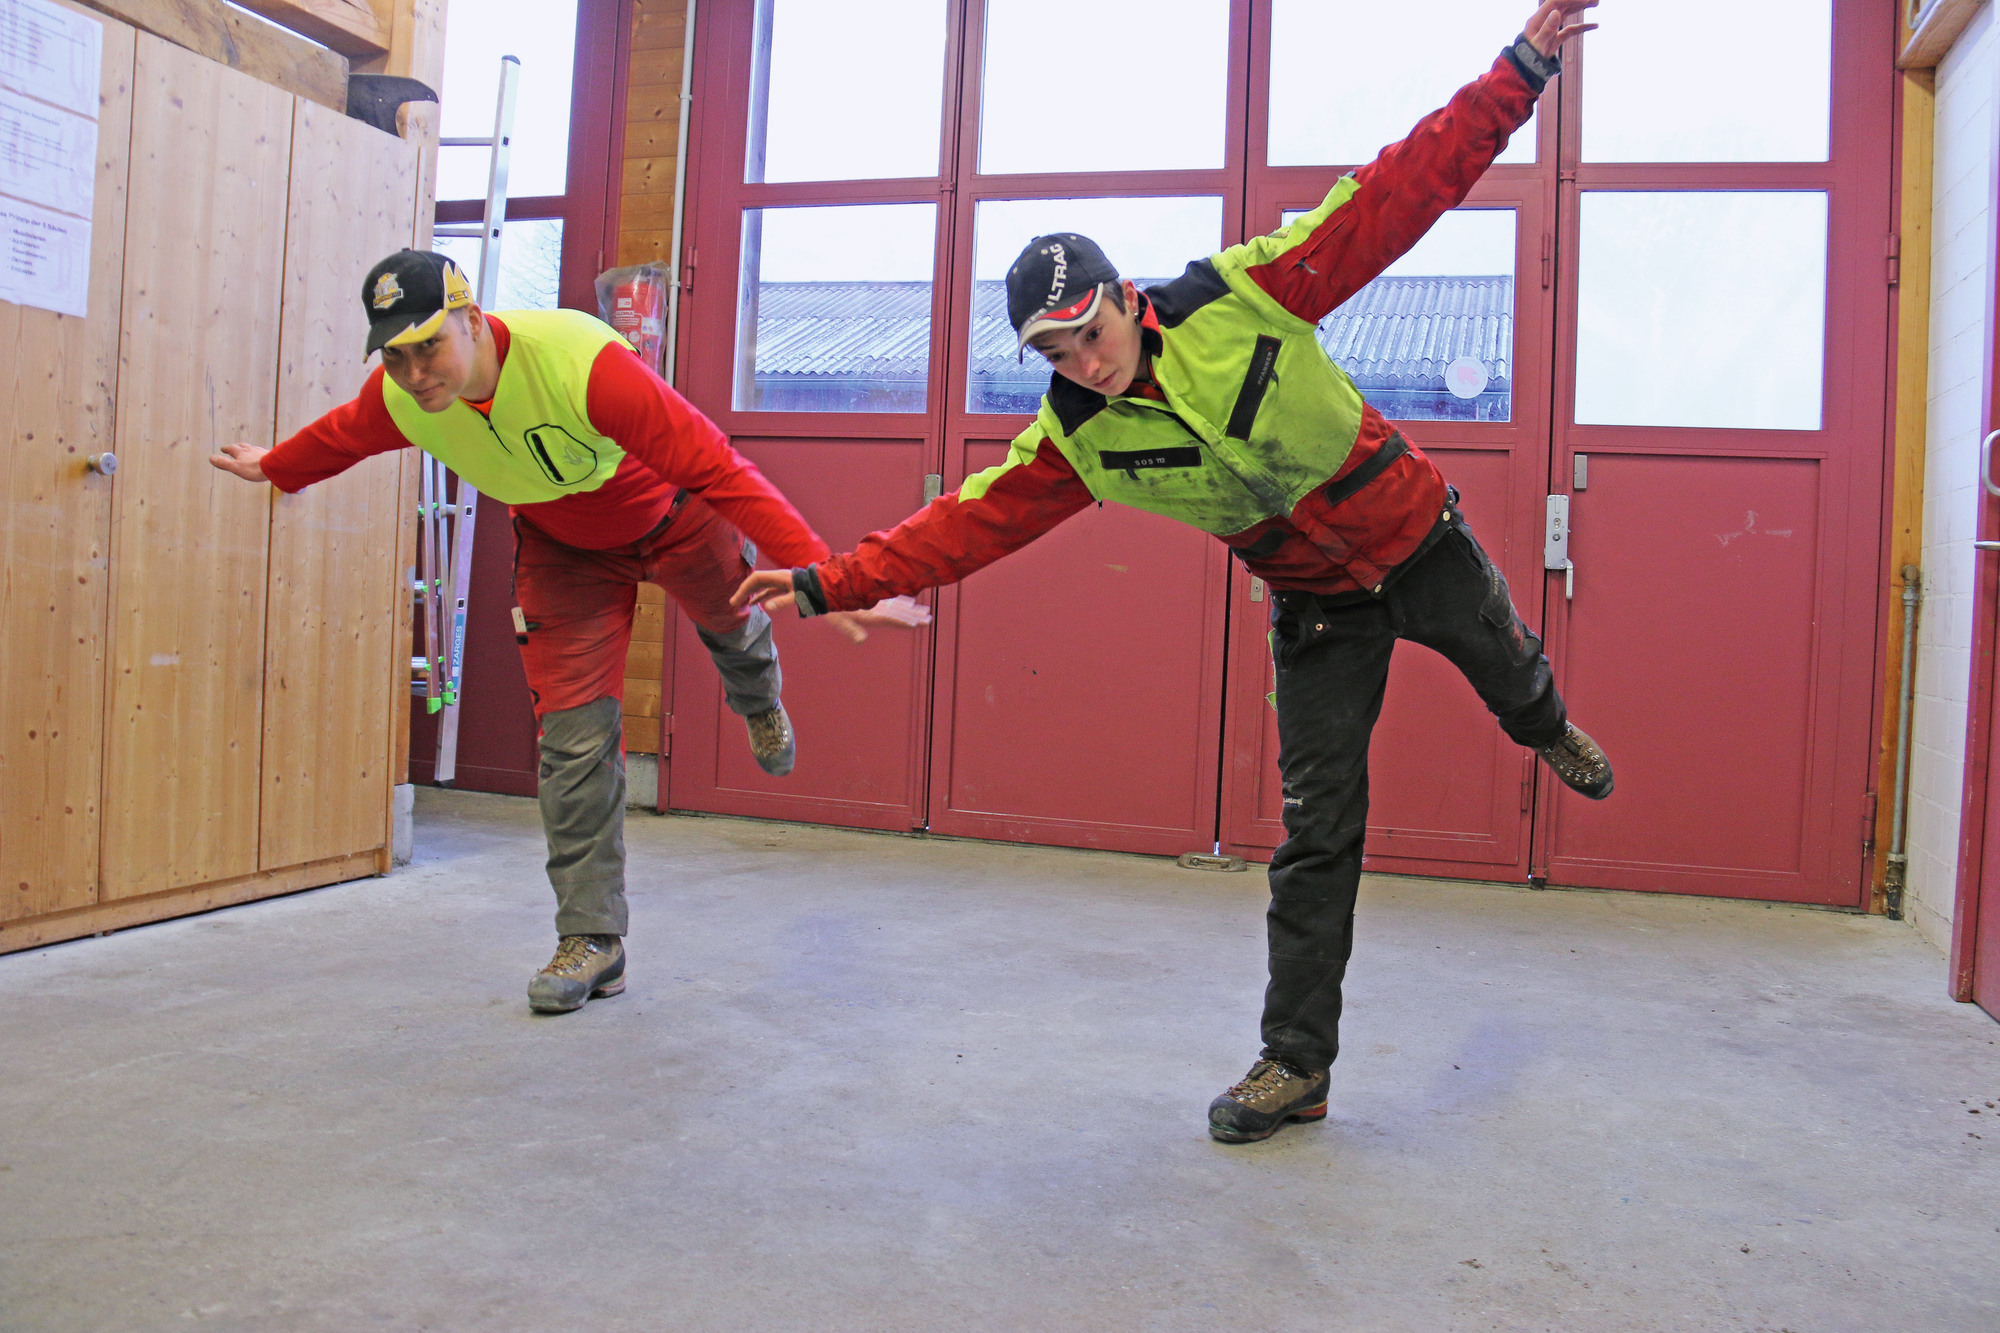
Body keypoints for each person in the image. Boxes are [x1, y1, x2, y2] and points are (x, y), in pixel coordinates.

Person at [736, 0, 1610, 1141]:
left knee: (1512, 678)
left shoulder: (1245, 293)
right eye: (1055, 354)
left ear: (1126, 302)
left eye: (1090, 334)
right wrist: (822, 584)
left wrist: (1520, 70)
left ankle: (1545, 724)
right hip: (1314, 607)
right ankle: (1294, 1065)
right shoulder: (1074, 440)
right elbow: (960, 528)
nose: (1085, 367)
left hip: (1416, 537)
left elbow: (1397, 196)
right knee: (1315, 832)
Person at [211, 249, 922, 1014]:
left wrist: (826, 576)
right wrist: (277, 467)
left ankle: (757, 699)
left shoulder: (582, 364)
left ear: (475, 322)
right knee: (573, 742)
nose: (416, 372)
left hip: (674, 516)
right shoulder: (401, 401)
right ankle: (594, 939)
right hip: (564, 549)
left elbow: (721, 468)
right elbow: (342, 435)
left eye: (430, 346)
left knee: (733, 619)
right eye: (396, 354)